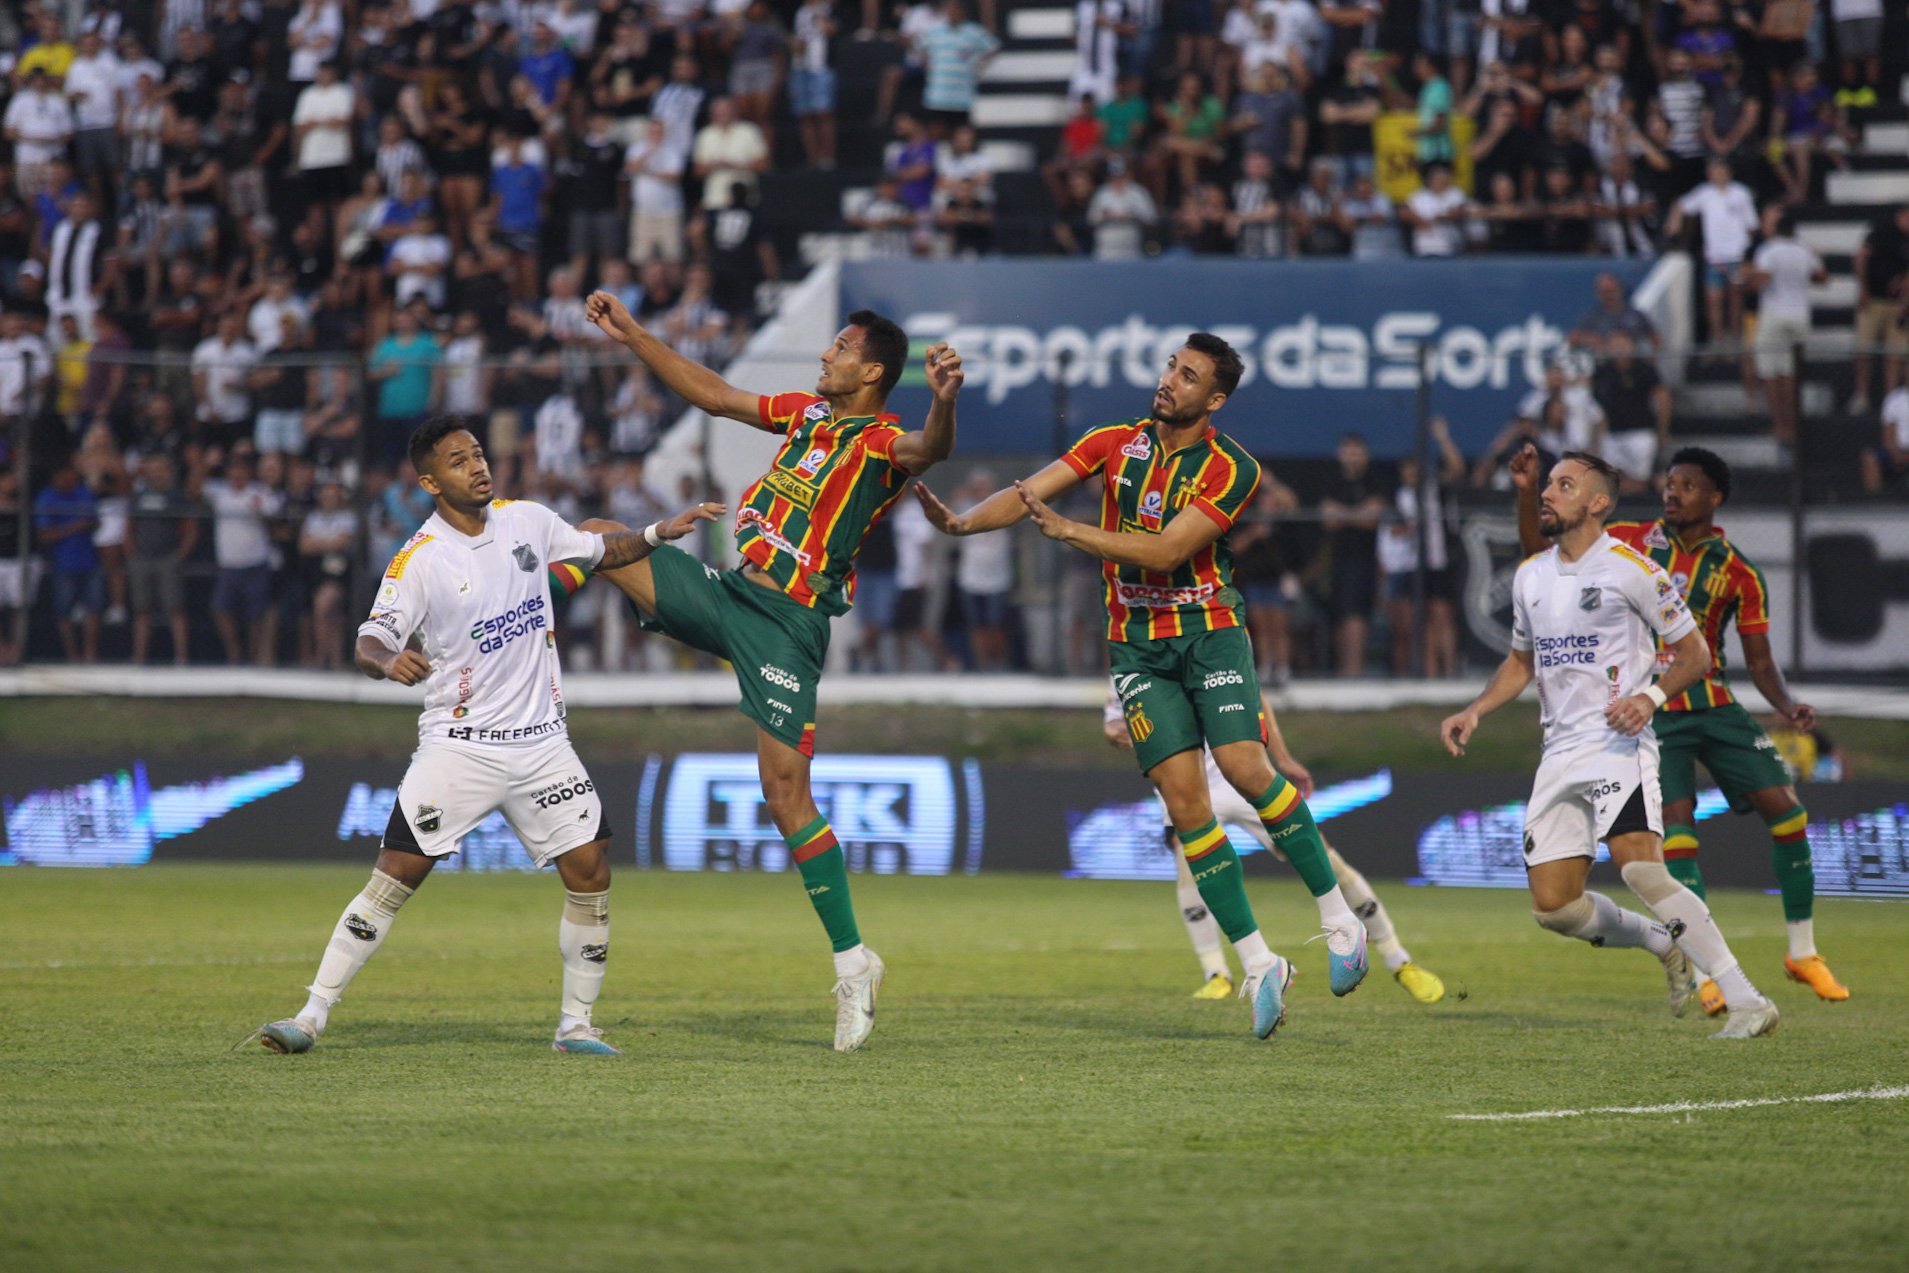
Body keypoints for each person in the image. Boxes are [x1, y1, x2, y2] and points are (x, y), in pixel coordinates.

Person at [913, 332, 1369, 1039]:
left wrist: (1071, 533)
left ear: (1213, 399)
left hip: (1209, 631)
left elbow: (1165, 550)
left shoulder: (1231, 468)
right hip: (1136, 652)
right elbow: (1029, 494)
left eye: (1187, 377)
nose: (1169, 382)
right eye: (1169, 368)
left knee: (1248, 767)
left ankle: (1339, 921)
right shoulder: (1112, 441)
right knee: (1188, 810)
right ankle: (1257, 964)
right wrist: (964, 523)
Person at [255, 417, 724, 1057]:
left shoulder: (527, 519)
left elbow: (596, 553)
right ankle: (309, 1016)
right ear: (429, 481)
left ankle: (576, 1026)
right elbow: (370, 638)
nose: (476, 466)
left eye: (477, 454)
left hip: (542, 742)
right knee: (397, 873)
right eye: (457, 460)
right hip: (461, 743)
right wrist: (388, 662)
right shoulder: (419, 559)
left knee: (590, 869)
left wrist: (653, 533)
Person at [577, 291, 965, 1052]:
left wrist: (944, 403)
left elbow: (931, 451)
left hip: (788, 625)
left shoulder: (883, 441)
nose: (826, 354)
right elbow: (715, 395)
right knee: (593, 536)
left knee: (785, 796)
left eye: (840, 348)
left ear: (872, 370)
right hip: (730, 594)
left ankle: (855, 964)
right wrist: (633, 335)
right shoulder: (807, 416)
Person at [1445, 449, 1779, 1039]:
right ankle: (1660, 942)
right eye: (1548, 483)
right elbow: (1522, 662)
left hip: (1617, 743)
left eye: (1564, 484)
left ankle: (1746, 998)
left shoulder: (1633, 569)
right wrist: (1476, 709)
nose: (1549, 492)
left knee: (1641, 870)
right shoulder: (1531, 576)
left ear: (1597, 503)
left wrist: (1649, 697)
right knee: (1554, 908)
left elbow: (1696, 653)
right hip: (1559, 751)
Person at [1513, 443, 1848, 1013]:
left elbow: (1757, 659)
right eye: (1669, 483)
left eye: (1687, 486)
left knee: (1786, 813)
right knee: (1660, 847)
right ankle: (1699, 967)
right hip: (1644, 710)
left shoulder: (1738, 571)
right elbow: (1549, 550)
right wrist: (1529, 496)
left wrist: (1787, 705)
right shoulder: (1633, 538)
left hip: (1707, 701)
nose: (1672, 492)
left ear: (1714, 498)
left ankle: (1797, 952)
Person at [1102, 686, 1447, 1003]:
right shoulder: (1128, 656)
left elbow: (1253, 695)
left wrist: (1281, 758)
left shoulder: (1205, 627)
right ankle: (1217, 973)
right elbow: (1114, 723)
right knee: (1189, 870)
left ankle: (1399, 960)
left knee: (1327, 863)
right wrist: (1122, 732)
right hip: (1186, 786)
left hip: (1242, 775)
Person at [1744, 211, 1826, 447]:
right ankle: (1794, 425)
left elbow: (1763, 281)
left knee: (1771, 373)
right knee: (1790, 374)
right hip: (1799, 315)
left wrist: (1744, 280)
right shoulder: (1805, 249)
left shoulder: (1769, 250)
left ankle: (1779, 425)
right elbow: (1821, 277)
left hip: (1774, 315)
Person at [1319, 432, 1386, 676]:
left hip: (1365, 559)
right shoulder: (1332, 482)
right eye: (1349, 452)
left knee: (1357, 616)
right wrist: (1358, 514)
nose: (1353, 458)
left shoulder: (1374, 482)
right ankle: (1343, 670)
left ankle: (1354, 672)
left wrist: (1343, 515)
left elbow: (1372, 519)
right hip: (1338, 559)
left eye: (1357, 453)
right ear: (1340, 454)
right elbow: (1328, 520)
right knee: (1340, 615)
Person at [35, 461, 104, 665]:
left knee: (95, 607)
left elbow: (97, 522)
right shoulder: (46, 498)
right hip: (63, 562)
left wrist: (90, 523)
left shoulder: (84, 493)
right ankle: (72, 655)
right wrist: (74, 527)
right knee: (63, 610)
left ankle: (90, 653)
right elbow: (44, 534)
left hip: (89, 559)